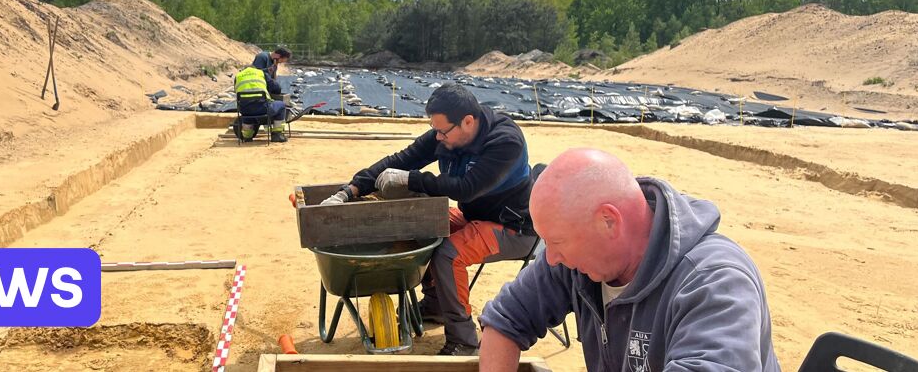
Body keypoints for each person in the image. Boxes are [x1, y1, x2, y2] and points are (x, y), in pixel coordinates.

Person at [479, 148, 780, 372]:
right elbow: (505, 320)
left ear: (608, 221)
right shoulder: (574, 259)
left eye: (556, 243)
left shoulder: (714, 281)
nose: (551, 258)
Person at [320, 82, 536, 355]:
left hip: (513, 228)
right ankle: (436, 304)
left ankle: (463, 340)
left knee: (448, 253)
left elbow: (466, 189)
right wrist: (350, 190)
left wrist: (411, 179)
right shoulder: (447, 133)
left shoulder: (505, 141)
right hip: (476, 218)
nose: (437, 137)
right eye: (434, 129)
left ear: (468, 122)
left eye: (441, 131)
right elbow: (403, 158)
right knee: (422, 222)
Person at [233, 64, 289, 142]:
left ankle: (247, 137)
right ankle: (277, 134)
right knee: (282, 105)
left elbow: (237, 91)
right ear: (255, 68)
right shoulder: (260, 73)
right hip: (263, 108)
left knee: (248, 108)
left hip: (244, 110)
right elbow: (276, 87)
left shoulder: (238, 76)